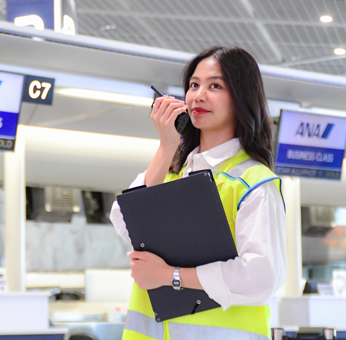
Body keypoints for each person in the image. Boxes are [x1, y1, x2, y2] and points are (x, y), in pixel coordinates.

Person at [110, 46, 286, 340]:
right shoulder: (171, 172)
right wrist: (167, 146)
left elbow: (261, 277)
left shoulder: (253, 182)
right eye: (193, 85)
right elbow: (124, 222)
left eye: (215, 85)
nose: (198, 95)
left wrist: (170, 276)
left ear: (241, 97)